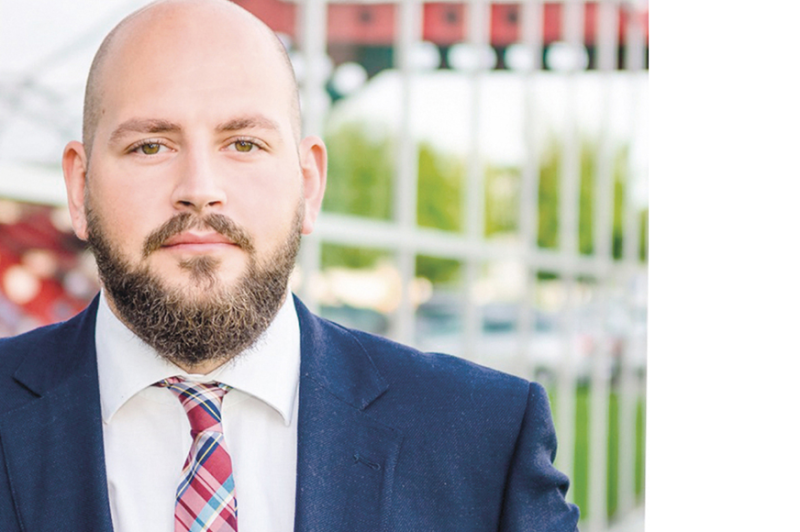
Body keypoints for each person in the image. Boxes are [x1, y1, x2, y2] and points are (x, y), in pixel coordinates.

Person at [0, 0, 580, 530]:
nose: (199, 189)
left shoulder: (485, 440)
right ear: (79, 187)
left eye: (244, 144)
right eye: (150, 146)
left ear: (308, 184)